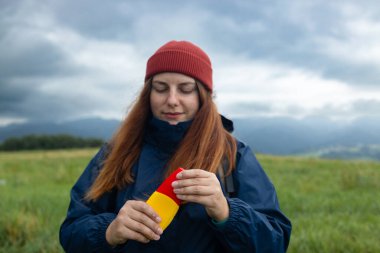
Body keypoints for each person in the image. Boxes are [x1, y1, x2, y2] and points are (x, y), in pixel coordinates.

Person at [59, 40, 292, 253]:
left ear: (203, 96)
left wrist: (227, 212)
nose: (171, 100)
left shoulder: (233, 155)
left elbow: (276, 242)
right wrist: (109, 231)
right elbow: (71, 232)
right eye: (160, 88)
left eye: (185, 89)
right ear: (147, 94)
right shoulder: (116, 153)